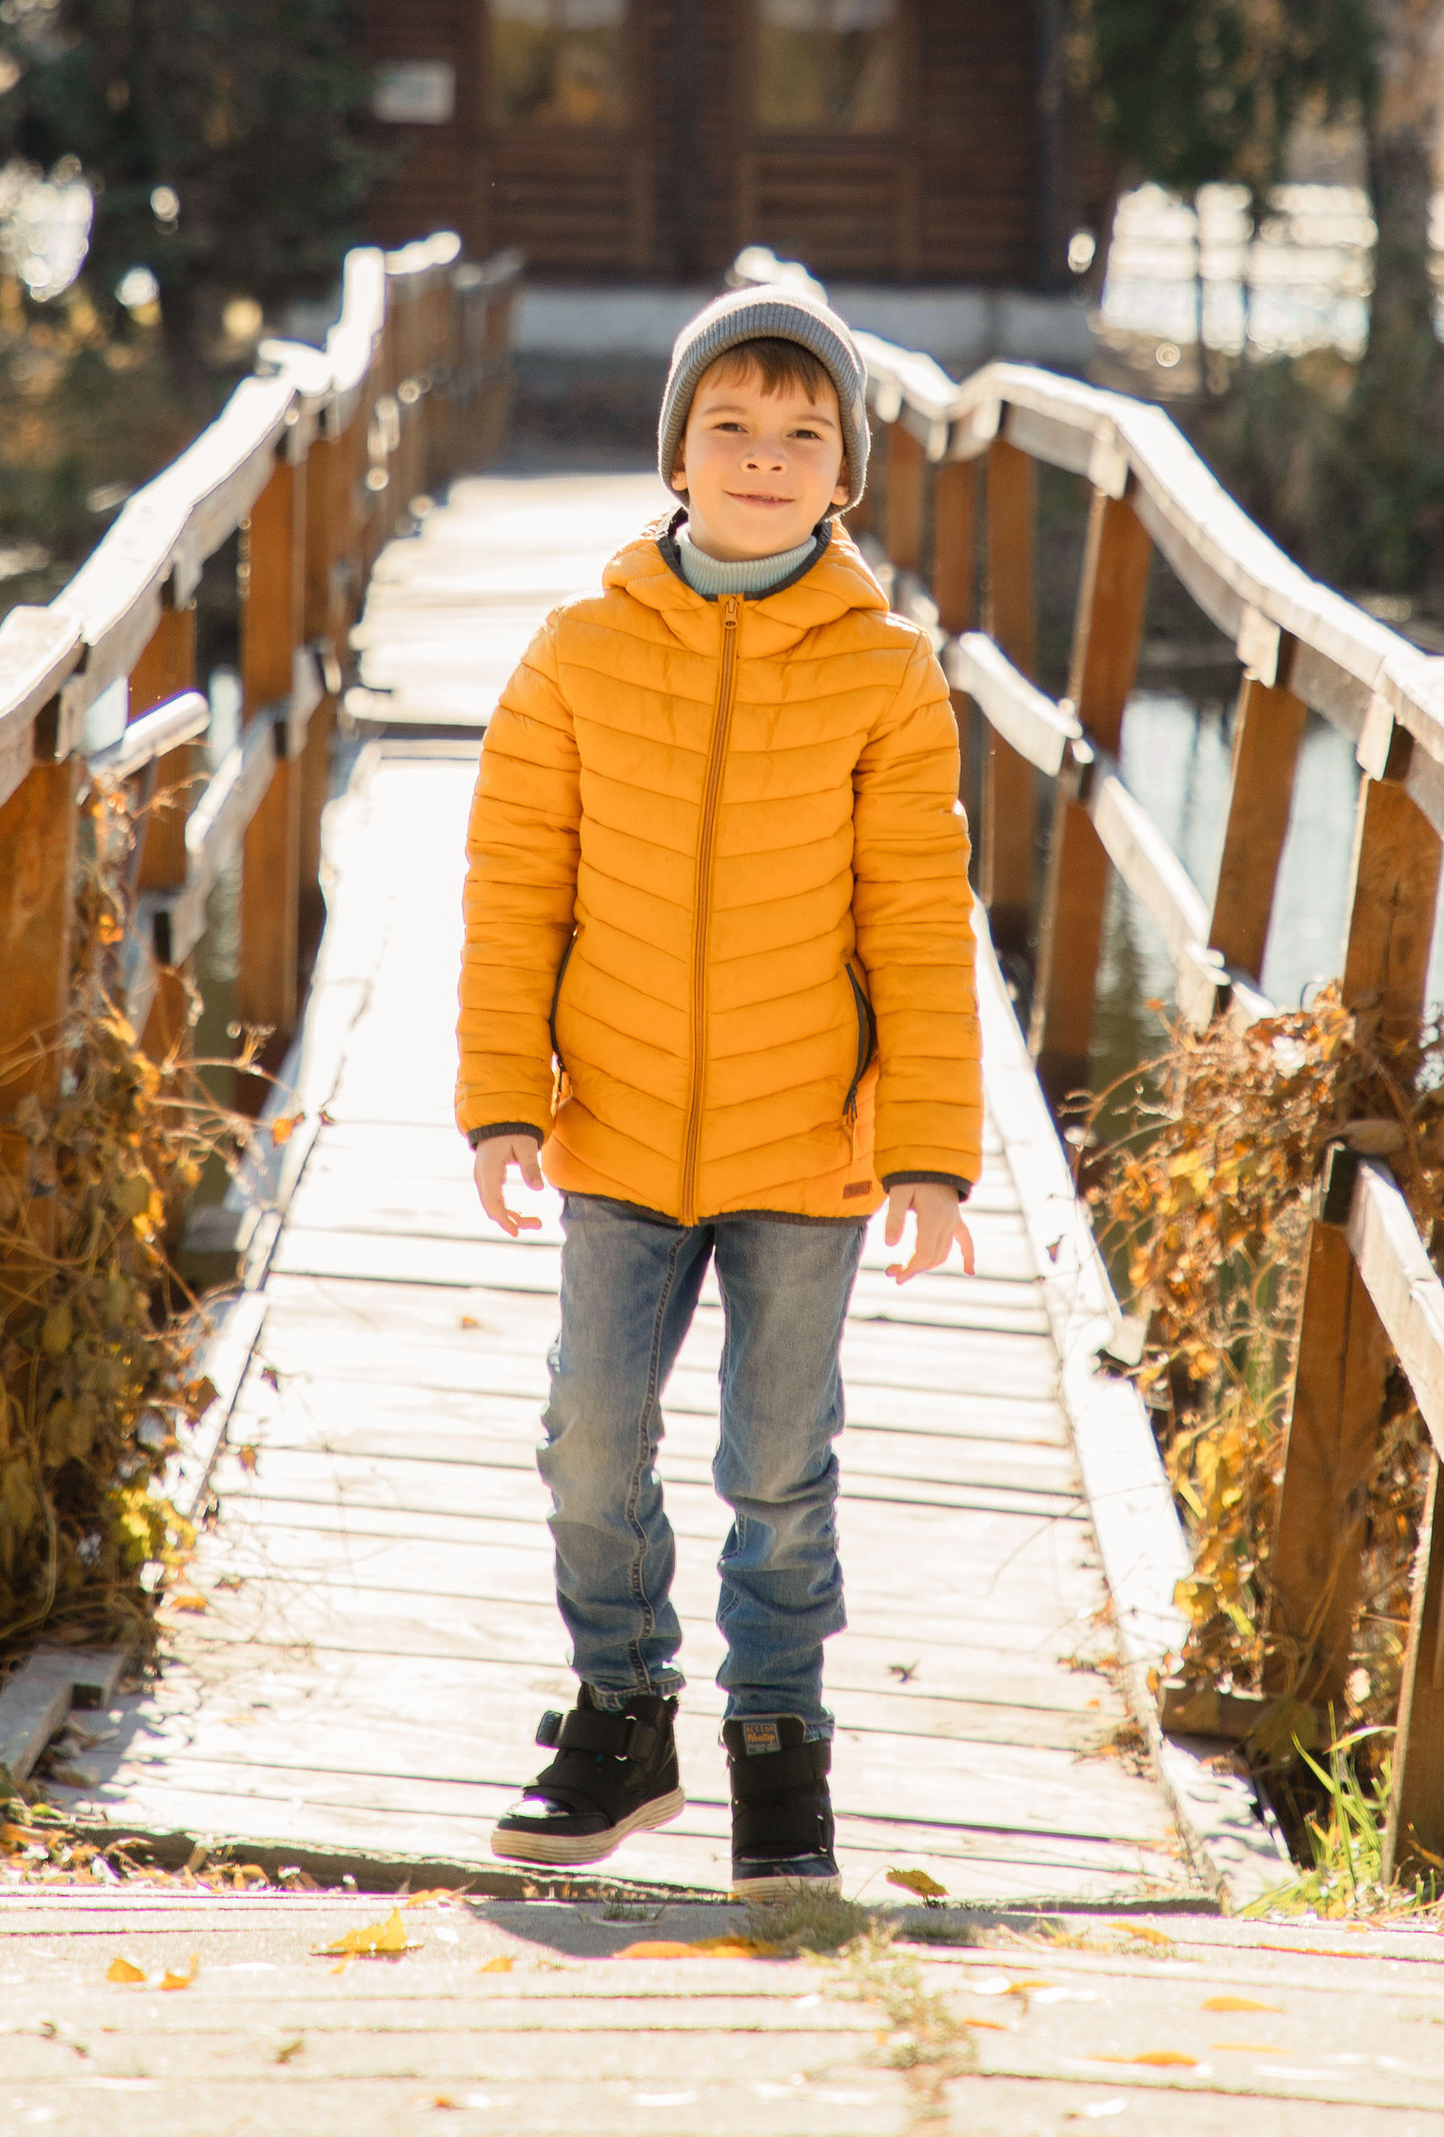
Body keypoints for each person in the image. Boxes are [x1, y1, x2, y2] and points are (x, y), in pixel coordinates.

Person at [455, 274, 982, 1897]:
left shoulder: (887, 674)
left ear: (848, 475)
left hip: (805, 1145)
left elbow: (916, 914)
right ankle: (621, 1714)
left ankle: (778, 1741)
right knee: (592, 1434)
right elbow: (514, 882)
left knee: (776, 1464)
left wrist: (929, 1151)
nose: (766, 456)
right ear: (675, 455)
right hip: (613, 1124)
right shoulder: (579, 649)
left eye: (804, 432)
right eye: (731, 426)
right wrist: (500, 1098)